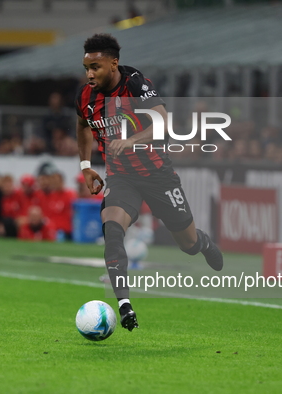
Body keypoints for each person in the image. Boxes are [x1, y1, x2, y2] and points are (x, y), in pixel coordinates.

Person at [75, 34, 223, 331]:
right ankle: (124, 304)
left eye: (96, 67)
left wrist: (130, 141)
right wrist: (86, 166)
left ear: (113, 63)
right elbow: (83, 125)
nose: (90, 74)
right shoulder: (86, 96)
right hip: (120, 177)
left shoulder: (135, 84)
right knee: (112, 230)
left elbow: (163, 122)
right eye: (86, 67)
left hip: (158, 176)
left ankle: (202, 242)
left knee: (188, 243)